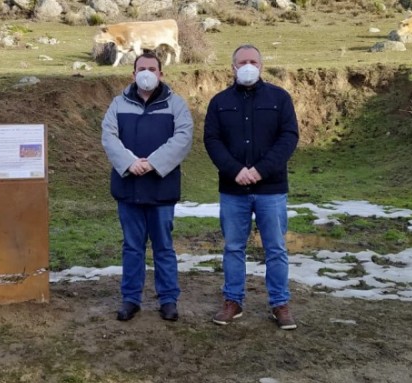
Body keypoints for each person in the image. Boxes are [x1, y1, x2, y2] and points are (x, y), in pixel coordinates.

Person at [203, 45, 300, 329]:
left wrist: (260, 170)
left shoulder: (280, 98)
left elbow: (289, 137)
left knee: (276, 248)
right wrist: (236, 171)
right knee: (233, 247)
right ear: (232, 67)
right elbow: (212, 141)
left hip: (271, 189)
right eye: (242, 61)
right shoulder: (219, 102)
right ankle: (233, 301)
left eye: (253, 61)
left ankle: (280, 304)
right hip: (233, 190)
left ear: (261, 65)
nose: (248, 65)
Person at [101, 52, 194, 322]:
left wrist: (152, 163)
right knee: (132, 246)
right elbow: (109, 136)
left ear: (161, 74)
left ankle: (168, 299)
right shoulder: (118, 104)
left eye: (152, 68)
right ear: (133, 74)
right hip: (128, 187)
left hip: (161, 189)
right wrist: (130, 163)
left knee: (163, 246)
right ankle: (131, 299)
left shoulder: (175, 104)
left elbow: (183, 138)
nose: (147, 73)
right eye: (141, 68)